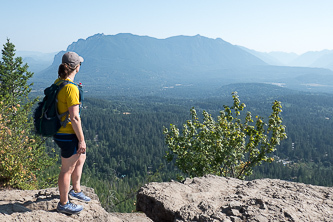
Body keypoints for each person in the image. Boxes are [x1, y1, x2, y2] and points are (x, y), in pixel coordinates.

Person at [54, 52, 90, 215]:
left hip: (61, 131)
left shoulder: (59, 82)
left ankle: (75, 190)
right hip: (68, 134)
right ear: (77, 67)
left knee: (81, 157)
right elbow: (75, 118)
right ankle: (64, 203)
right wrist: (81, 140)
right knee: (66, 169)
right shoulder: (70, 88)